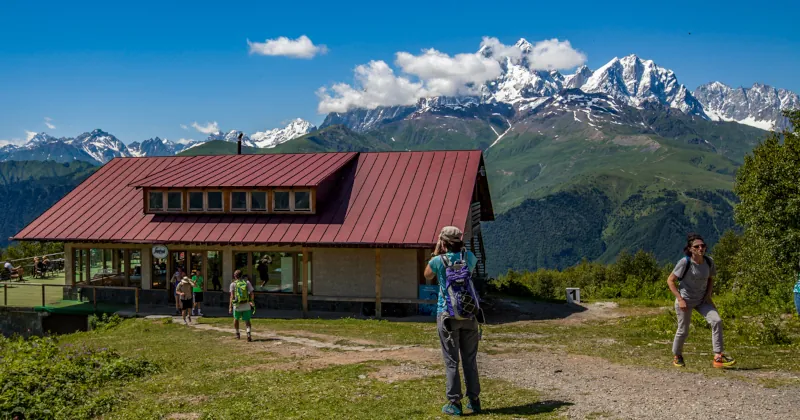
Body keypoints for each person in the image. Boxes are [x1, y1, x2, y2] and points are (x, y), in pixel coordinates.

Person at [424, 226, 481, 416]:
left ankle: (455, 403)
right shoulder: (470, 258)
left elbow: (427, 275)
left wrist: (437, 251)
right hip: (470, 314)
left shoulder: (437, 261)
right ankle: (474, 401)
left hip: (447, 314)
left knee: (451, 361)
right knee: (469, 360)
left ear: (444, 242)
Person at [667, 232, 736, 368]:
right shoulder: (684, 262)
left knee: (717, 321)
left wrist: (708, 294)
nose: (701, 249)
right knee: (683, 330)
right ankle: (677, 355)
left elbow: (710, 278)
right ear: (690, 249)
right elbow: (670, 280)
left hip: (702, 300)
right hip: (685, 300)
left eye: (703, 246)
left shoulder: (709, 262)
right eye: (697, 246)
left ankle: (718, 356)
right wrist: (680, 299)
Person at [229, 270, 255, 341]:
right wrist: (251, 301)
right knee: (247, 320)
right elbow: (252, 293)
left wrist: (230, 307)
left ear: (234, 276)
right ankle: (248, 333)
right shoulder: (247, 282)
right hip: (246, 304)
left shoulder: (233, 284)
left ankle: (237, 334)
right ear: (242, 275)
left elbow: (231, 296)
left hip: (237, 305)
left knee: (236, 319)